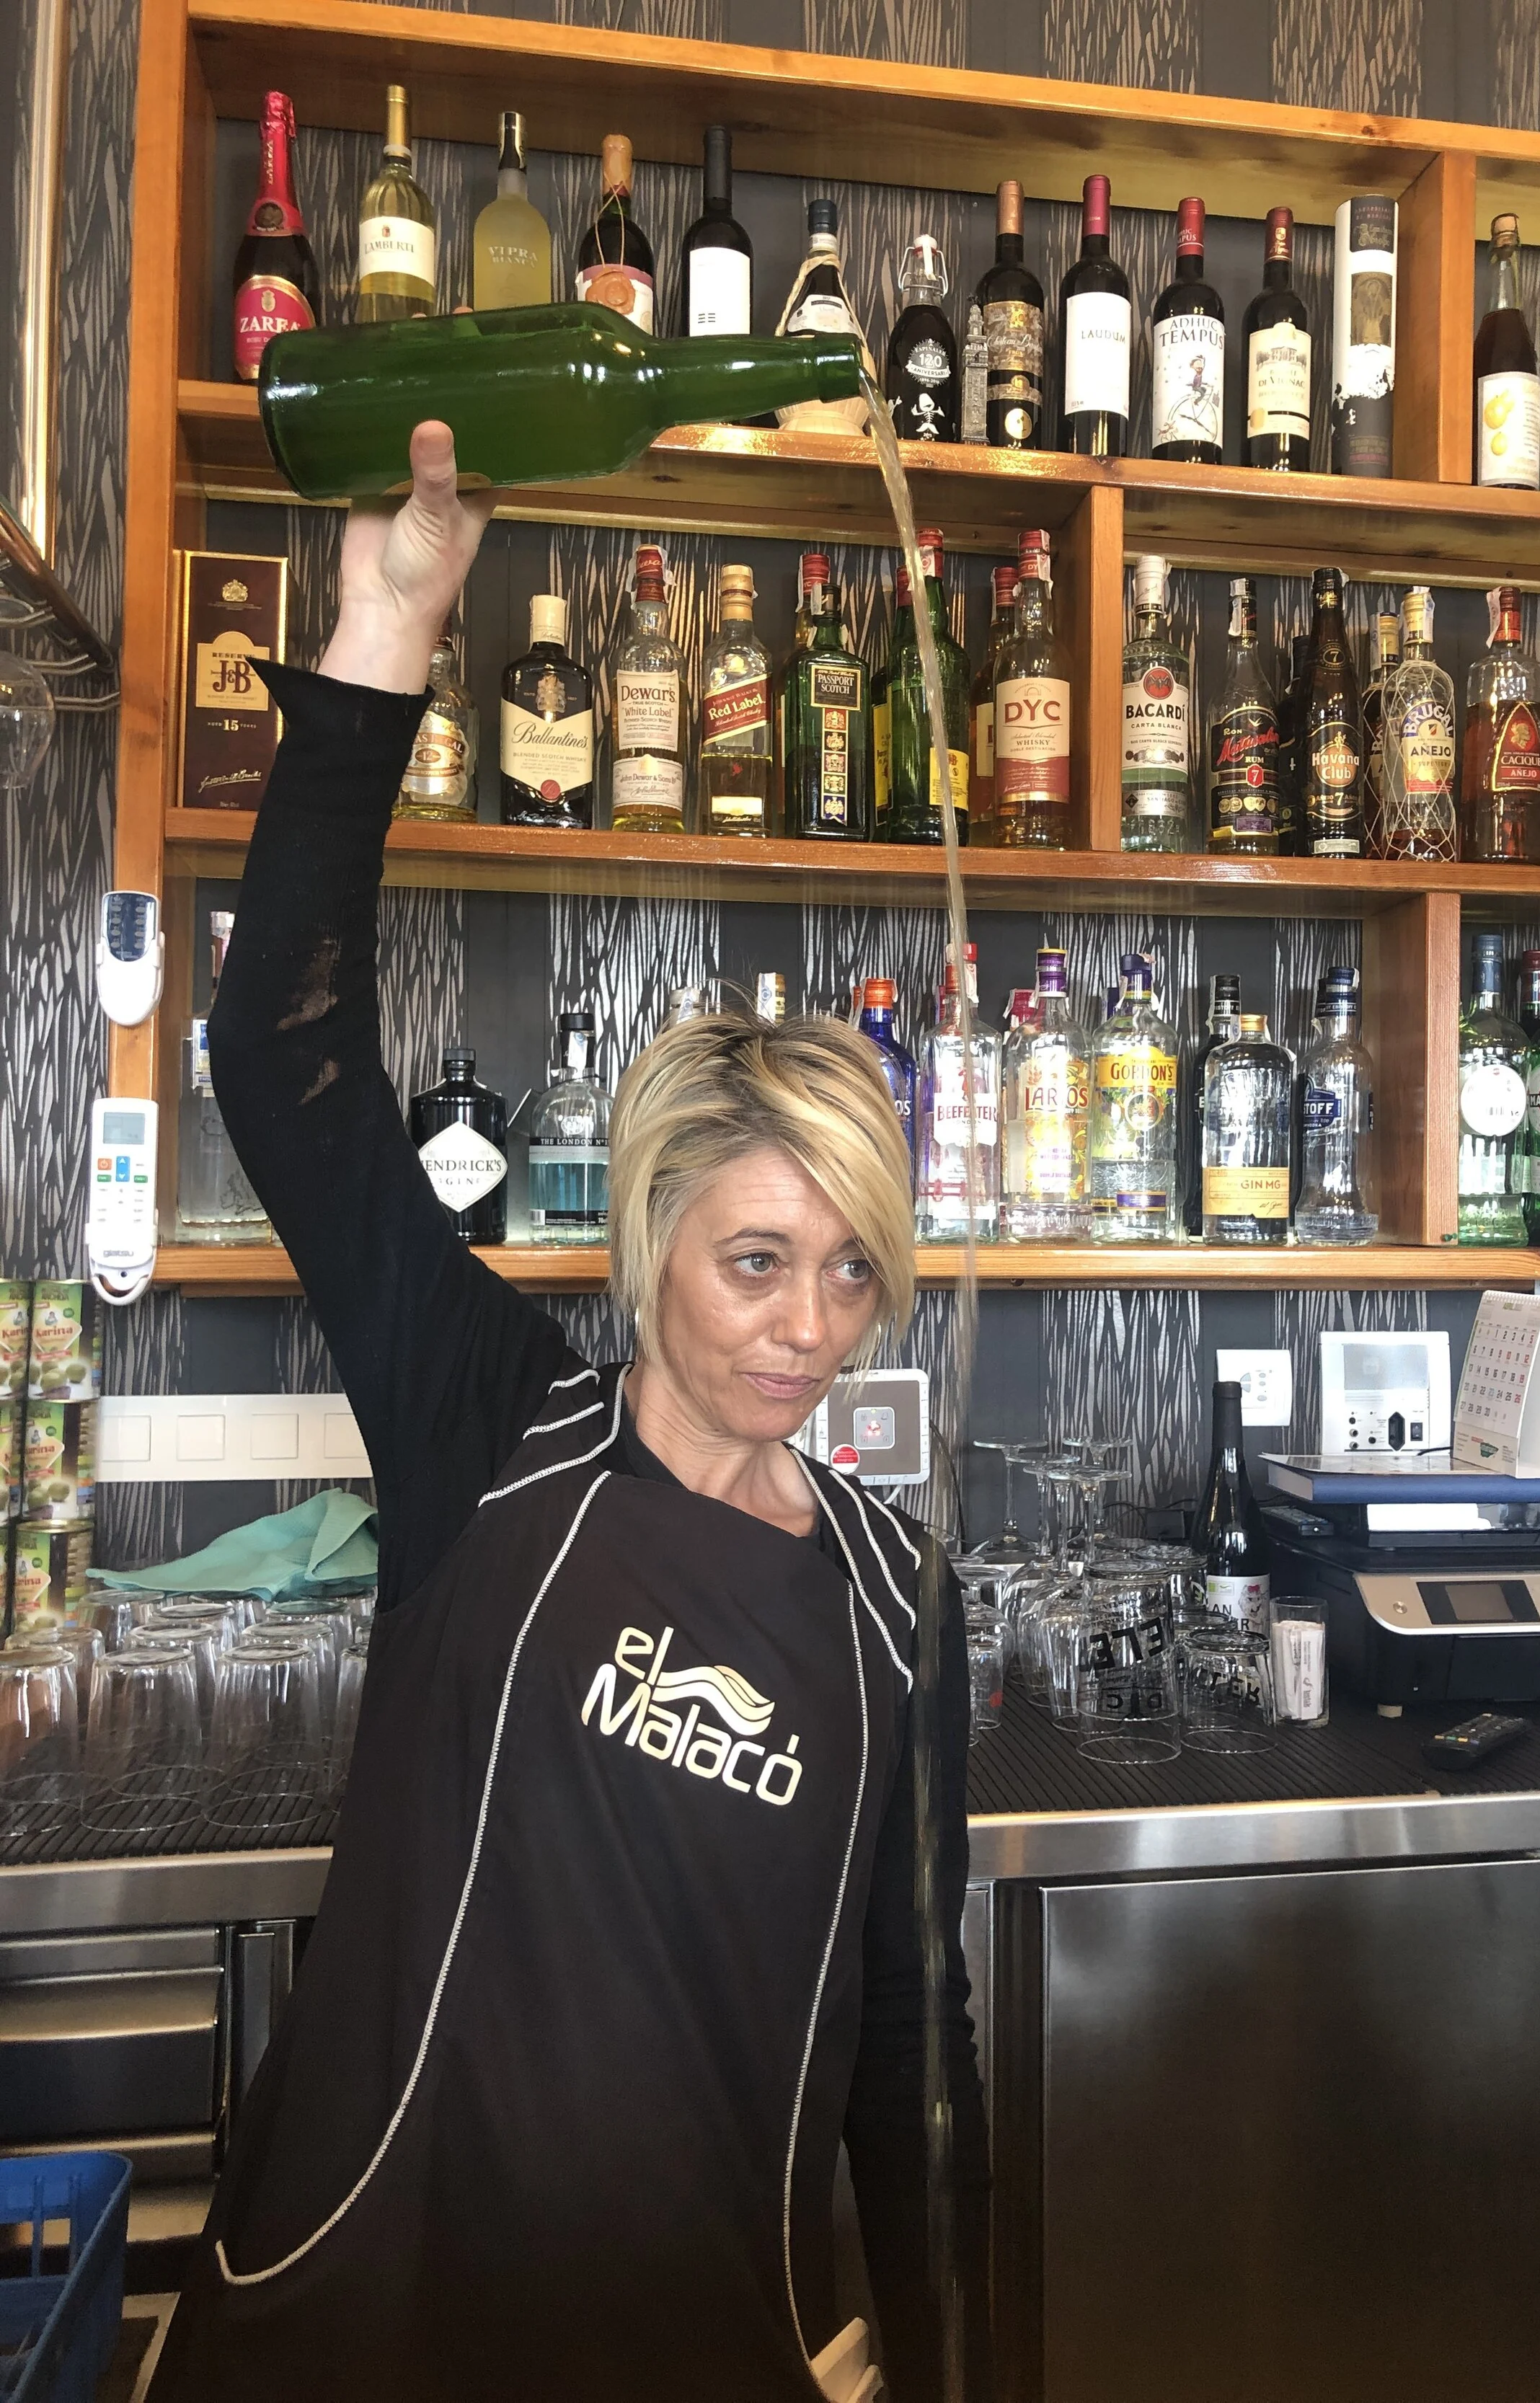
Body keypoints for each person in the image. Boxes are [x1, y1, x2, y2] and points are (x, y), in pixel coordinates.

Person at [151, 424, 989, 2402]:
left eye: (852, 1266)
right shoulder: (492, 1425)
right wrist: (387, 627)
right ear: (648, 1241)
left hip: (705, 2346)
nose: (808, 1327)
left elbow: (906, 2042)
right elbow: (283, 1067)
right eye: (756, 1259)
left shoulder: (893, 1600)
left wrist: (945, 2365)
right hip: (366, 2321)